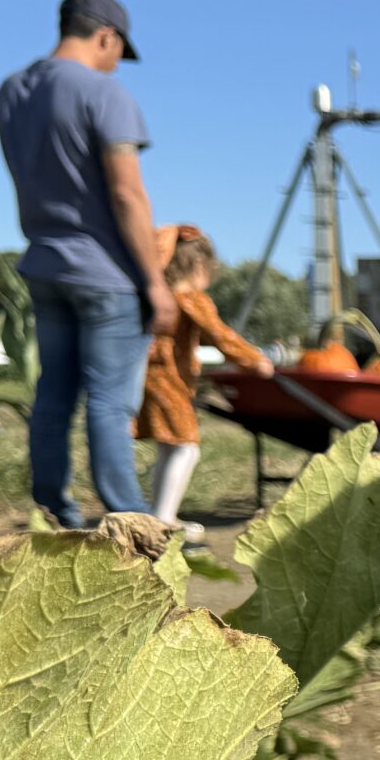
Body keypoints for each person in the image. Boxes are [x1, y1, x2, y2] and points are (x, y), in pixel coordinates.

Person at [0, 0, 176, 527]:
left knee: (54, 395)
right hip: (107, 275)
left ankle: (57, 516)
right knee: (109, 402)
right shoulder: (104, 94)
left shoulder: (11, 93)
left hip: (45, 264)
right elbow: (126, 195)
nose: (117, 62)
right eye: (118, 50)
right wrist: (156, 284)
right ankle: (133, 526)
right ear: (106, 35)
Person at [139, 224, 272, 538]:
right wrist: (255, 361)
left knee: (170, 448)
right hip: (167, 378)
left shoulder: (163, 296)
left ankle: (158, 513)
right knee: (186, 447)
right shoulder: (190, 297)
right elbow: (220, 335)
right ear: (199, 266)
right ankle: (164, 518)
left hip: (151, 374)